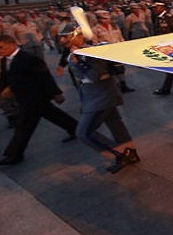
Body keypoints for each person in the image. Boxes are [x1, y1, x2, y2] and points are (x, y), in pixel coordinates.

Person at [0, 34, 78, 166]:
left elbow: (44, 76)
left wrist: (56, 93)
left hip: (35, 98)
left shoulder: (28, 58)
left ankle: (14, 154)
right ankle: (76, 129)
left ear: (12, 45)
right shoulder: (4, 61)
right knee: (53, 115)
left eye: (0, 47)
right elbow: (3, 80)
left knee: (23, 127)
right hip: (25, 98)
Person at [59, 24, 140, 173]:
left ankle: (121, 153)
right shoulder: (74, 54)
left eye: (66, 37)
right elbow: (80, 81)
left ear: (79, 36)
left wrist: (78, 63)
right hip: (94, 97)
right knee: (116, 125)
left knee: (83, 133)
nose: (63, 40)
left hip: (102, 97)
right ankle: (131, 153)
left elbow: (93, 76)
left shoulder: (93, 52)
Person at [93, 10, 134, 93]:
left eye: (108, 18)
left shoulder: (114, 26)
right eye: (104, 18)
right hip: (106, 53)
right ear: (98, 19)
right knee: (111, 70)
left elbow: (120, 37)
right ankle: (115, 86)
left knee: (120, 68)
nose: (107, 20)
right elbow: (95, 42)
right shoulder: (95, 29)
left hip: (117, 51)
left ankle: (123, 85)